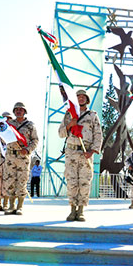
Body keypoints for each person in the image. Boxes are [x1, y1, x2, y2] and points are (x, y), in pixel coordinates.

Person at [58, 90, 102, 222]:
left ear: (87, 100)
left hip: (86, 152)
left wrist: (92, 151)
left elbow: (98, 134)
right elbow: (60, 133)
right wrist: (69, 126)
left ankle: (81, 210)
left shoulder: (93, 115)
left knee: (84, 182)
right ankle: (72, 210)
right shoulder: (69, 114)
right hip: (71, 152)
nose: (81, 99)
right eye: (78, 97)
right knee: (71, 182)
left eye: (83, 97)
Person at [2, 102, 39, 215]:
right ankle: (11, 206)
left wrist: (27, 150)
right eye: (16, 109)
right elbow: (3, 138)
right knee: (10, 180)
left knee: (22, 181)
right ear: (14, 112)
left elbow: (35, 140)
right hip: (11, 156)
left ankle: (20, 206)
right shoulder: (8, 125)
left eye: (21, 110)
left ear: (24, 111)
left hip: (23, 156)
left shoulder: (30, 125)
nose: (18, 111)